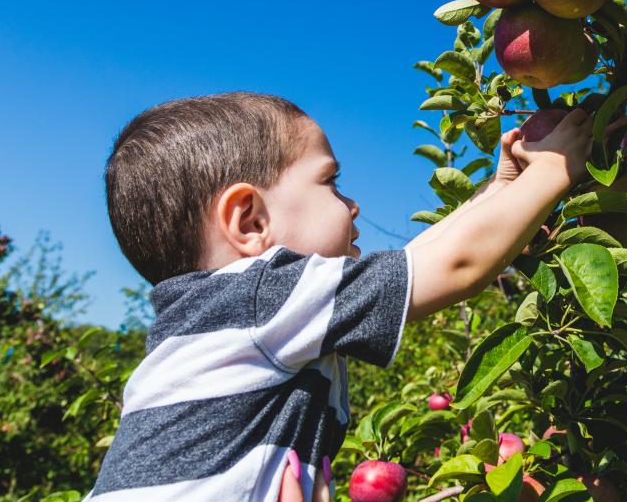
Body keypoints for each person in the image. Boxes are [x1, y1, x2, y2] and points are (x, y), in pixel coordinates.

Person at [84, 91, 590, 501]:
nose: (352, 205)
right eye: (331, 182)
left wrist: (501, 189)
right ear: (250, 221)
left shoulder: (218, 317)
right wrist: (553, 170)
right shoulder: (263, 295)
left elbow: (415, 261)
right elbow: (456, 265)